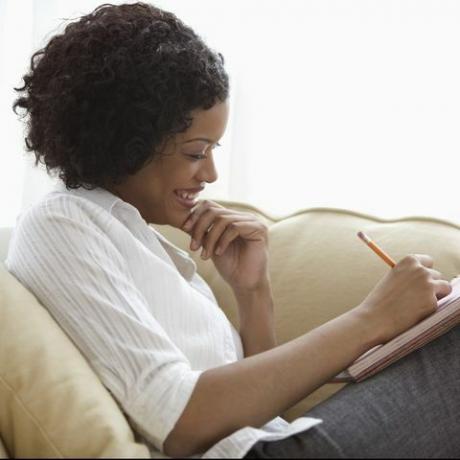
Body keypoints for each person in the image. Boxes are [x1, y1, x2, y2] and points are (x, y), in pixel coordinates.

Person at [7, 2, 460, 458]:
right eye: (194, 153)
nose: (210, 175)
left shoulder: (137, 240)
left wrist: (253, 291)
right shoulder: (62, 223)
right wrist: (373, 319)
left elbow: (262, 415)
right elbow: (180, 421)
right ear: (127, 141)